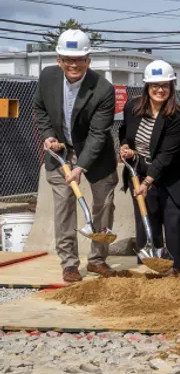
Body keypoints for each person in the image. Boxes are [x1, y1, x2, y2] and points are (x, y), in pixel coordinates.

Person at [32, 30, 119, 284]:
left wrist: (80, 167)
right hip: (60, 152)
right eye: (67, 59)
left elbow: (98, 133)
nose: (73, 64)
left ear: (88, 60)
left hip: (95, 153)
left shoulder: (103, 89)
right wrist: (48, 135)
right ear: (59, 59)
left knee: (104, 204)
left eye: (79, 59)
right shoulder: (47, 77)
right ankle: (69, 263)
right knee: (64, 208)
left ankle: (97, 259)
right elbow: (40, 108)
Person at [118, 61, 180, 276]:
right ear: (146, 87)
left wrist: (147, 182)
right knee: (147, 220)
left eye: (165, 86)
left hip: (171, 177)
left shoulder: (177, 117)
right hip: (140, 171)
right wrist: (125, 147)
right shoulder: (132, 108)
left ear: (171, 87)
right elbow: (125, 132)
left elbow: (165, 156)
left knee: (174, 221)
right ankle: (151, 266)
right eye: (154, 85)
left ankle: (177, 267)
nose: (160, 90)